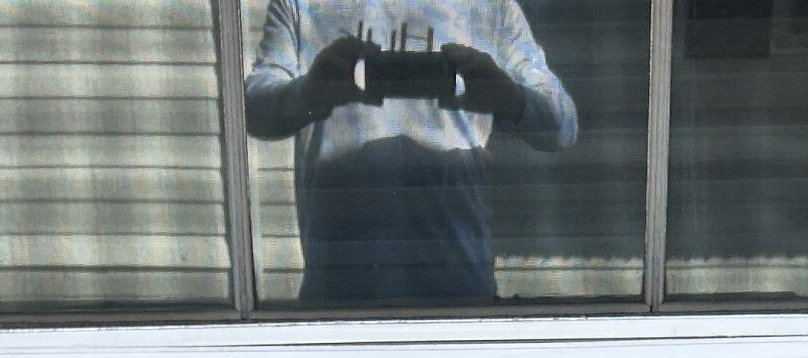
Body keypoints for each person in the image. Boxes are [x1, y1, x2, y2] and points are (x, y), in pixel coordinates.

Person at [244, 2, 577, 308]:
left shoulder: (490, 7)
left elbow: (561, 124)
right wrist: (309, 92)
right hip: (346, 290)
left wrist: (510, 98)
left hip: (452, 286)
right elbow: (253, 111)